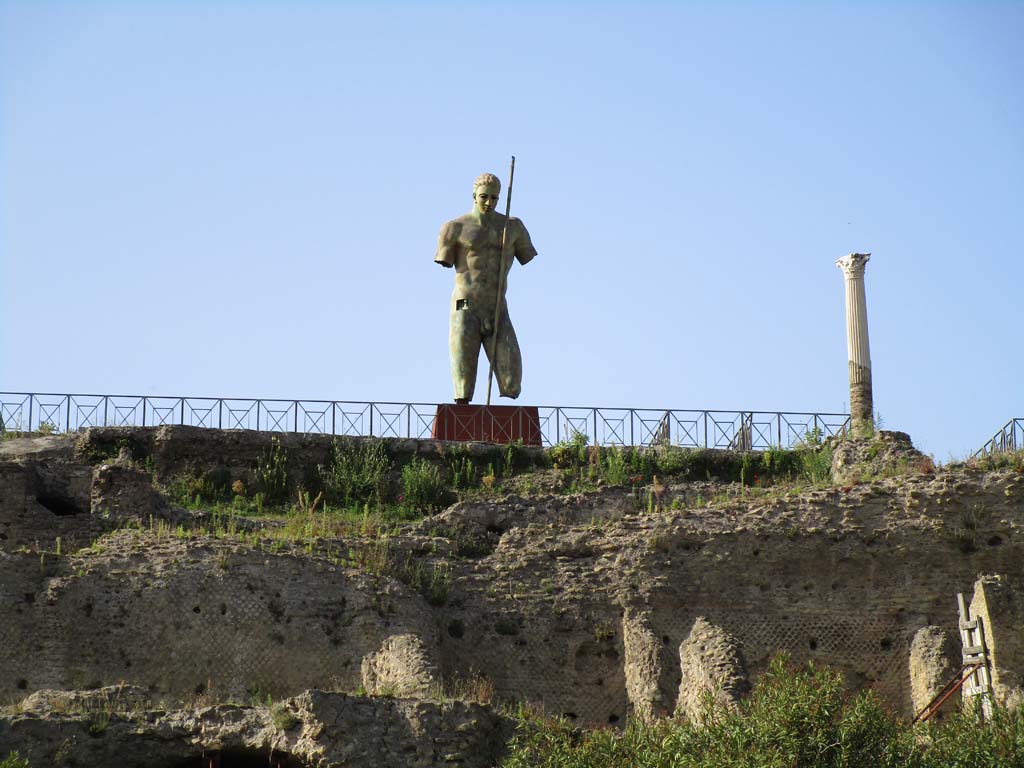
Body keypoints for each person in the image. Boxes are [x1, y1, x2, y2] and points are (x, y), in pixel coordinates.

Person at [434, 172, 537, 404]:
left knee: (512, 380)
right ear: (473, 196)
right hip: (466, 305)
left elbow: (526, 255)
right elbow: (445, 260)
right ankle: (463, 414)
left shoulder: (512, 227)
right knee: (463, 385)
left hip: (497, 306)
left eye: (494, 198)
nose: (489, 203)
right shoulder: (455, 228)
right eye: (484, 197)